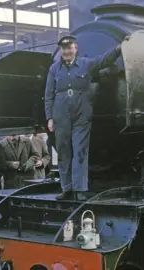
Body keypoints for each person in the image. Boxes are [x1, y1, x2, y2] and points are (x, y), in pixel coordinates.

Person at [44, 35, 128, 201]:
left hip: (82, 115)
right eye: (64, 48)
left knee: (80, 151)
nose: (67, 51)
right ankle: (66, 188)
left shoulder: (86, 64)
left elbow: (103, 61)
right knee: (63, 152)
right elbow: (48, 95)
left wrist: (118, 49)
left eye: (70, 48)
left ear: (75, 48)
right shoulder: (54, 69)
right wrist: (50, 118)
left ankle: (79, 189)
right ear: (61, 50)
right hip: (61, 116)